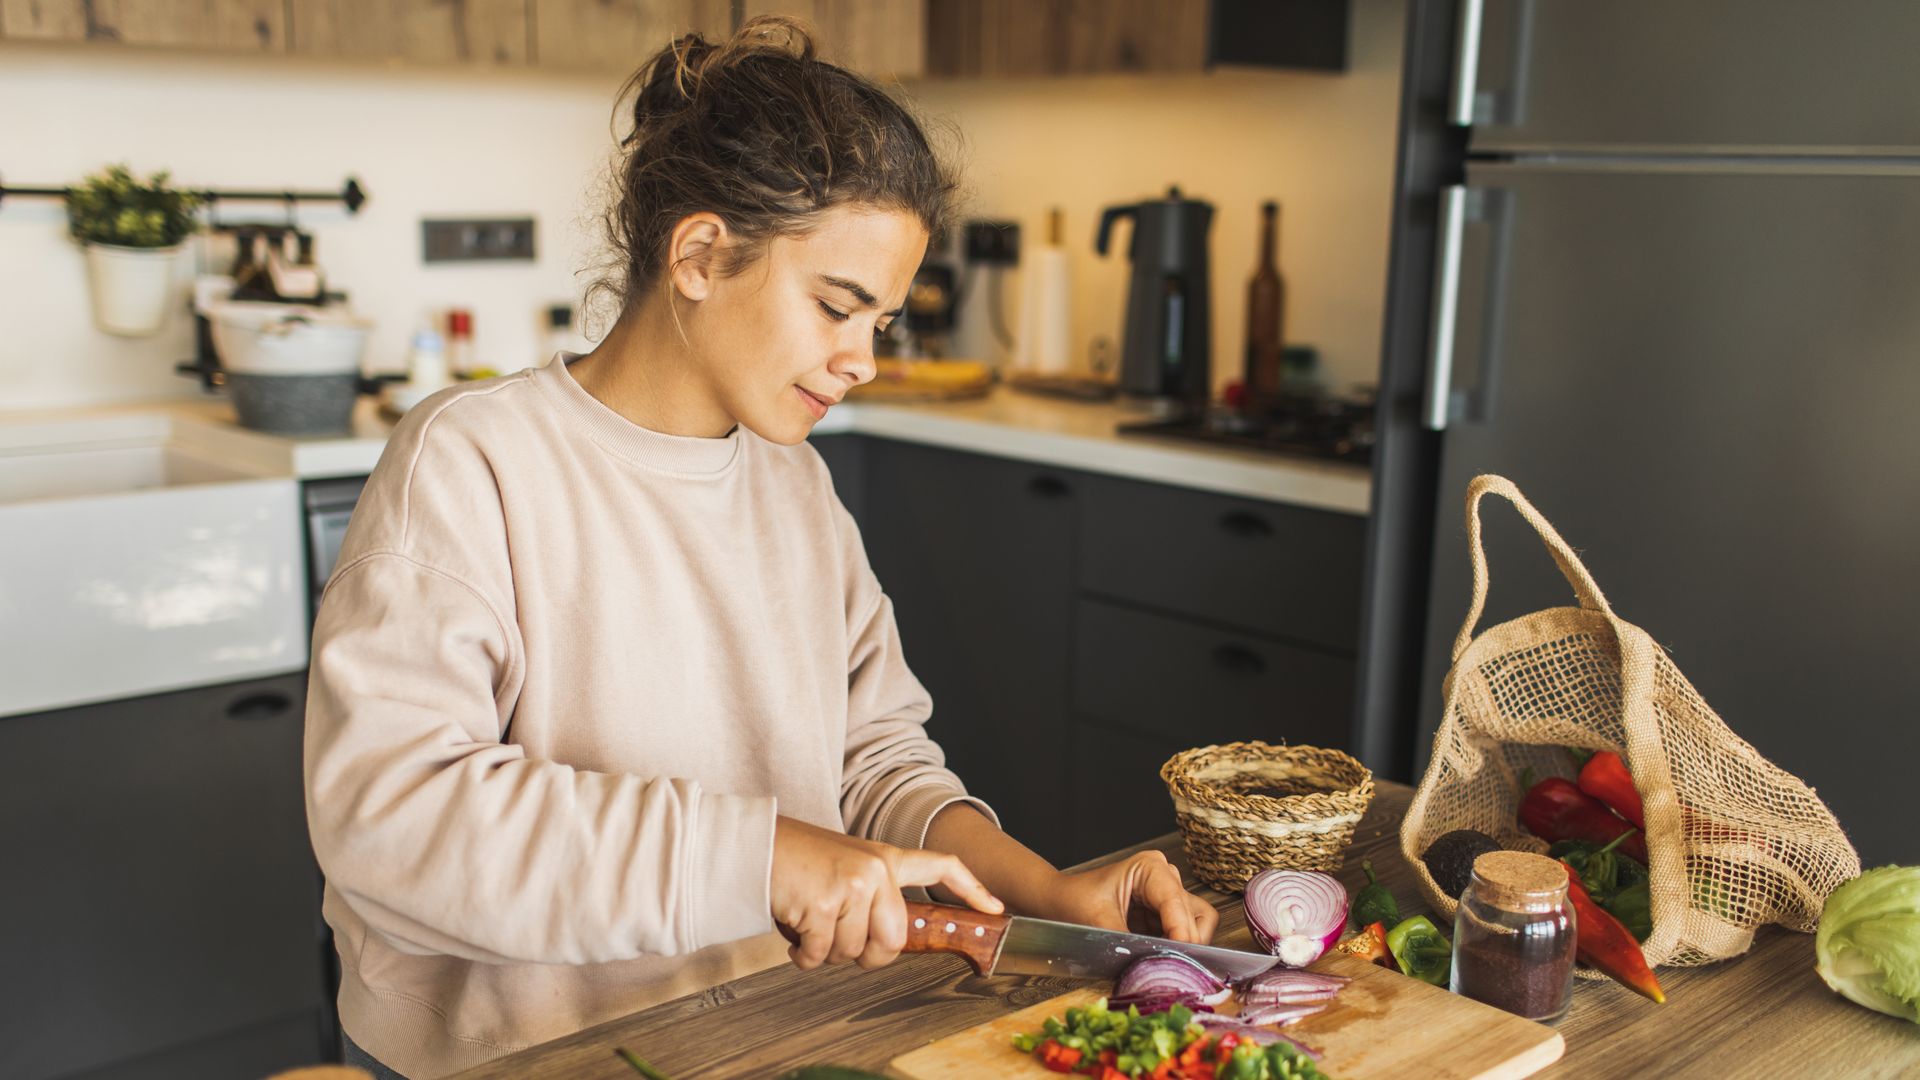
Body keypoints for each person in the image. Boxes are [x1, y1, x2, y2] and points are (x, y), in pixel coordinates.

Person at [304, 17, 1218, 1080]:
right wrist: (765, 857)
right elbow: (394, 819)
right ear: (698, 255)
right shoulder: (472, 465)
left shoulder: (796, 486)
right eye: (837, 305)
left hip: (760, 1038)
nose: (863, 359)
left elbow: (871, 759)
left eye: (881, 322)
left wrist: (1042, 891)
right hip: (522, 1058)